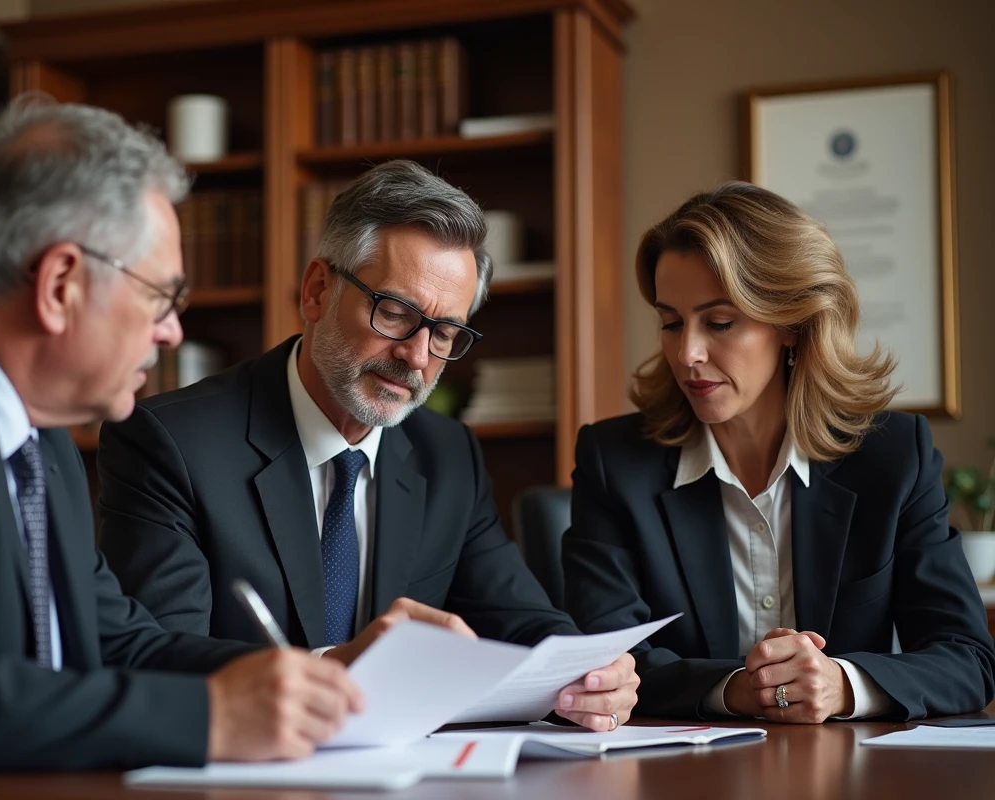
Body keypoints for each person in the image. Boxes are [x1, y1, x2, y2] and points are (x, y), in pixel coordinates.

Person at [0, 99, 363, 796]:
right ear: (61, 284)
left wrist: (324, 675)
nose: (172, 334)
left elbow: (120, 643)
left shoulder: (42, 436)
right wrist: (213, 716)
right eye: (162, 297)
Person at [97, 159, 639, 732]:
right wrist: (334, 669)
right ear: (316, 291)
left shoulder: (447, 453)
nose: (418, 356)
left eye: (445, 332)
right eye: (395, 313)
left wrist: (591, 676)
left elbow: (522, 621)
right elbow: (154, 656)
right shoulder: (171, 442)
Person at [562, 180, 995, 722]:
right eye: (671, 322)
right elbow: (602, 665)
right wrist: (734, 689)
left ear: (791, 323)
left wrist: (844, 683)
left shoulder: (893, 457)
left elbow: (968, 659)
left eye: (719, 323)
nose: (687, 352)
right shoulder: (614, 461)